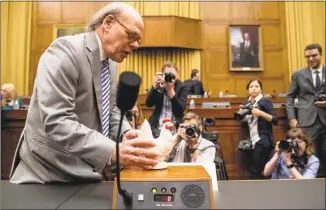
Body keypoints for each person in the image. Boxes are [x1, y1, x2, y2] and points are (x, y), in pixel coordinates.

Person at [9, 2, 160, 184]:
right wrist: (112, 150)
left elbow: (109, 109)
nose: (136, 45)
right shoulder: (64, 51)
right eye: (132, 35)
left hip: (85, 174)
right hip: (47, 176)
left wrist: (125, 134)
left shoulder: (111, 63)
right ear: (108, 23)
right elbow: (57, 121)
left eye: (139, 40)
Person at [286, 43, 326, 177]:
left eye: (314, 55)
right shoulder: (298, 74)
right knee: (311, 154)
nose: (310, 59)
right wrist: (292, 117)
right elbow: (290, 97)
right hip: (307, 121)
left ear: (321, 54)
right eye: (307, 57)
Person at [237, 79, 278, 179]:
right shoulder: (246, 102)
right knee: (253, 170)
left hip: (262, 140)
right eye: (251, 87)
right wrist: (241, 113)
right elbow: (244, 122)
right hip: (251, 142)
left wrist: (261, 113)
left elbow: (275, 120)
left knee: (256, 171)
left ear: (261, 89)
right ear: (248, 90)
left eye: (256, 86)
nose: (254, 89)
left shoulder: (265, 101)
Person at [145, 61, 189, 138]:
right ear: (162, 75)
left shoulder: (182, 87)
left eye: (172, 75)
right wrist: (154, 87)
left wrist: (170, 90)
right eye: (167, 74)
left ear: (177, 75)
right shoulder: (160, 85)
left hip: (174, 129)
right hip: (156, 128)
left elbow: (180, 110)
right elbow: (149, 104)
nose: (169, 77)